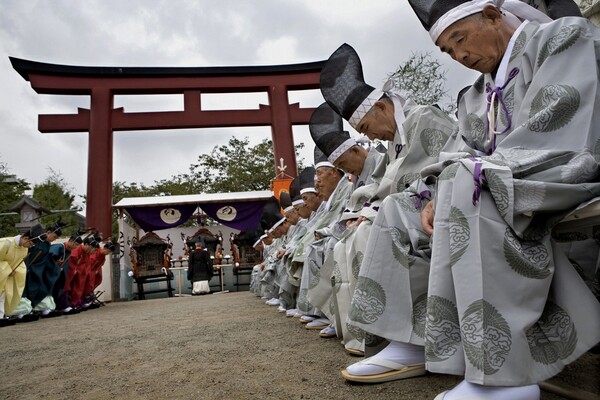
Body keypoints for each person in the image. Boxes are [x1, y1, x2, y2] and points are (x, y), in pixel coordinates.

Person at [360, 1, 600, 398]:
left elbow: (565, 119)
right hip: (503, 176)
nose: (461, 55)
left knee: (470, 184)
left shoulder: (561, 37)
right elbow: (456, 152)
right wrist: (435, 190)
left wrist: (473, 172)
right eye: (449, 51)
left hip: (564, 167)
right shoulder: (474, 95)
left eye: (460, 39)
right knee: (399, 208)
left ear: (492, 15)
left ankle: (504, 379)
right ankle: (411, 339)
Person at [0, 230, 33, 325]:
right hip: (3, 272)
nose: (30, 246)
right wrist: (7, 269)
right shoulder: (6, 243)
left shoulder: (24, 248)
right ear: (25, 238)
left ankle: (1, 316)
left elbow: (20, 263)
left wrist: (15, 270)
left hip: (4, 274)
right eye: (30, 243)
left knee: (4, 294)